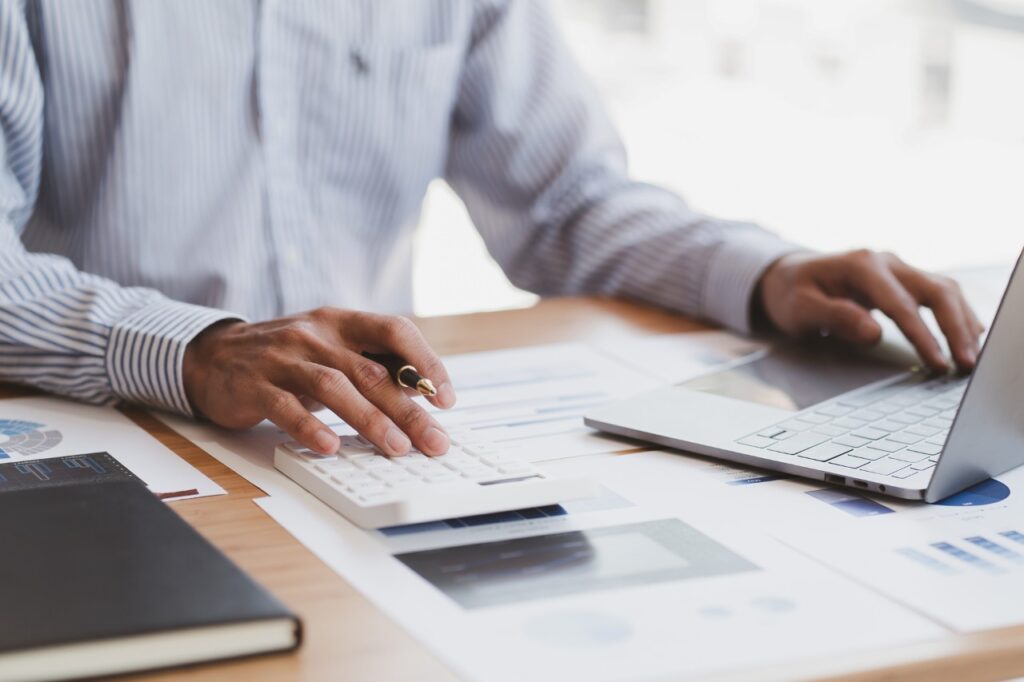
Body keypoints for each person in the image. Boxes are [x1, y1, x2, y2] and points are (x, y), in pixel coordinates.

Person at [0, 1, 982, 459]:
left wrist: (767, 273)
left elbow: (565, 204)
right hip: (117, 439)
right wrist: (196, 346)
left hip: (372, 442)